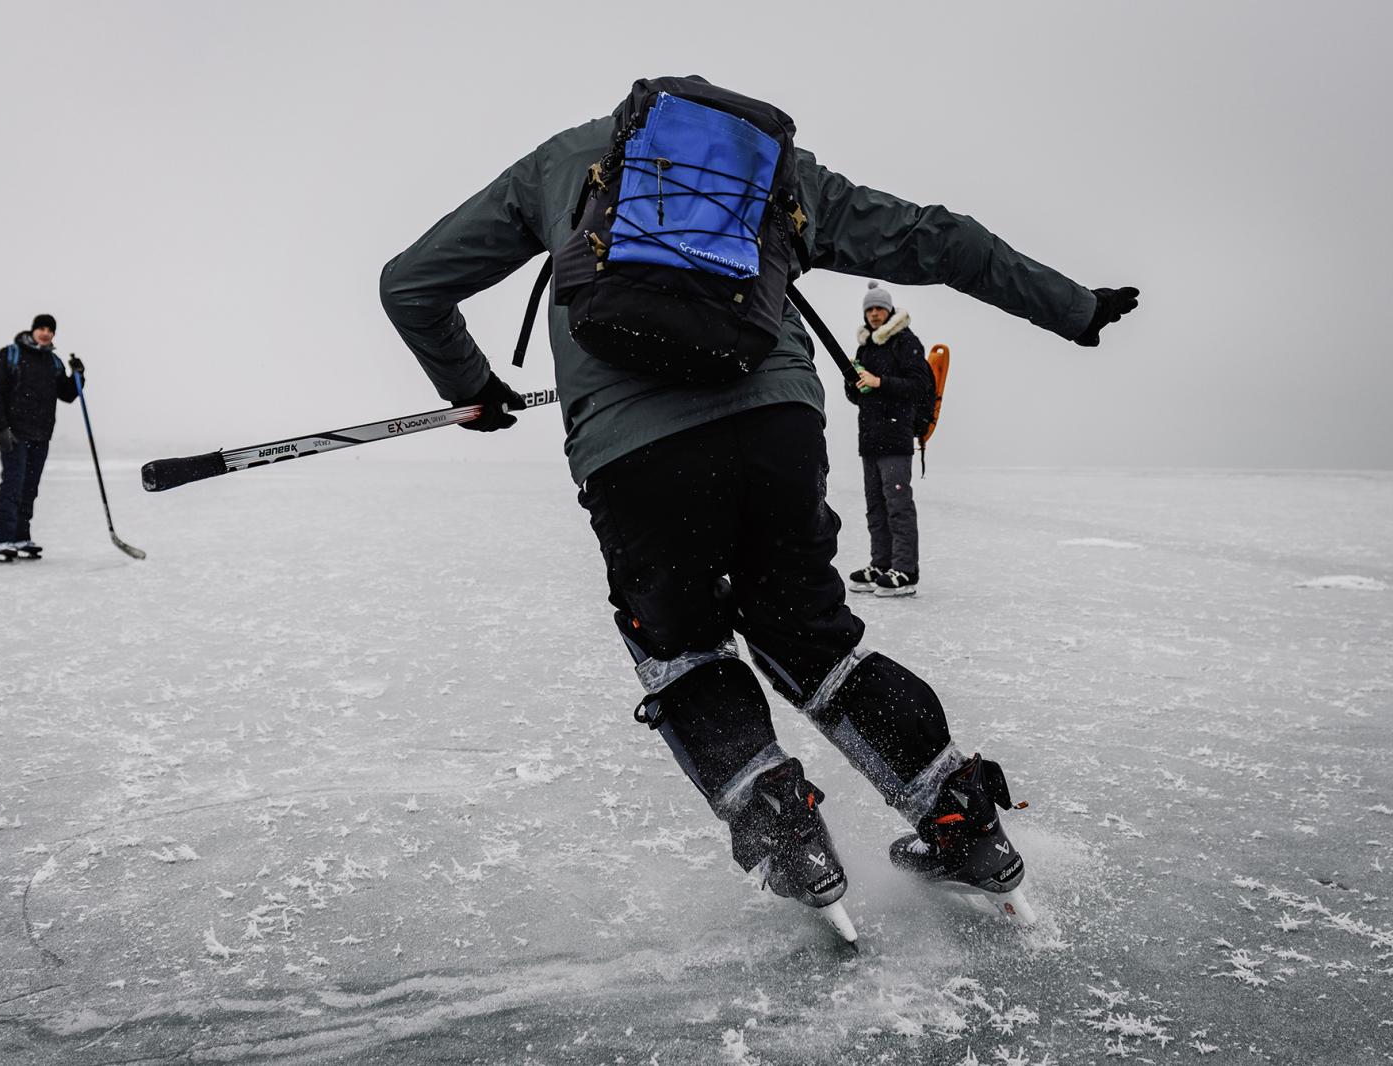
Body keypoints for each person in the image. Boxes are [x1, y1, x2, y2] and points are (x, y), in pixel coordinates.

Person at [380, 76, 1138, 926]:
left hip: (633, 452)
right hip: (774, 427)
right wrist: (1073, 308)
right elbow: (941, 239)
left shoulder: (561, 163)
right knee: (815, 642)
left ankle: (786, 830)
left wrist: (473, 387)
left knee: (684, 650)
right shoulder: (775, 171)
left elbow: (411, 284)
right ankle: (960, 818)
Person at [844, 282, 934, 597]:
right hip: (870, 438)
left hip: (896, 437)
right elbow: (859, 395)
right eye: (869, 309)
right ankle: (881, 565)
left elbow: (919, 385)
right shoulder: (865, 347)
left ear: (889, 310)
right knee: (875, 506)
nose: (874, 314)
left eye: (879, 308)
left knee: (898, 505)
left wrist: (879, 381)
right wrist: (855, 386)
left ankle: (906, 571)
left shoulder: (906, 342)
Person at [0, 314, 85, 562]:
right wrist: (1, 428)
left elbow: (68, 394)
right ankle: (2, 540)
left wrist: (79, 375)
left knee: (29, 487)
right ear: (33, 330)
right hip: (14, 433)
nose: (46, 333)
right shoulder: (10, 354)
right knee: (12, 485)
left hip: (41, 433)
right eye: (42, 328)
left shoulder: (53, 362)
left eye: (50, 330)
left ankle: (20, 536)